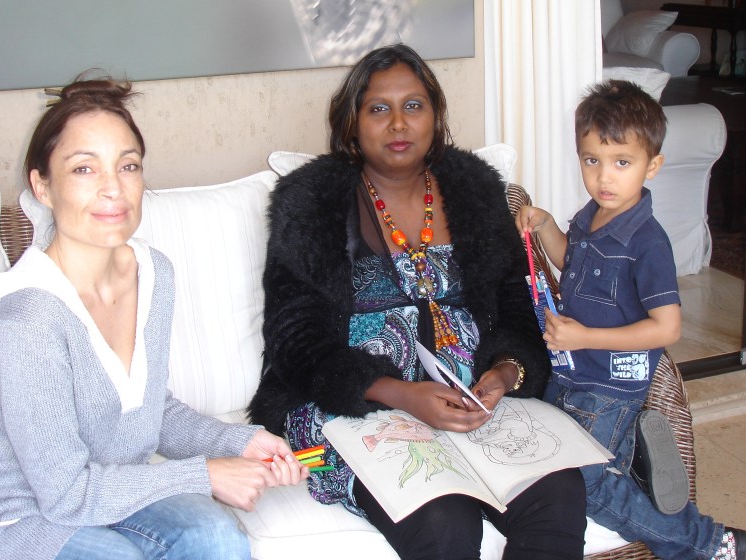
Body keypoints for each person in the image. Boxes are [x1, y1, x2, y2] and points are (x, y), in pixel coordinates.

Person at [249, 44, 587, 560]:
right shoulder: (311, 202)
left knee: (559, 495)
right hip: (352, 410)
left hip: (474, 404)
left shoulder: (476, 192)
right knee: (443, 518)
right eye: (378, 109)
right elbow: (294, 340)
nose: (398, 123)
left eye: (413, 105)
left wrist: (504, 374)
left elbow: (517, 306)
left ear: (436, 115)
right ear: (352, 125)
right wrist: (399, 394)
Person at [0, 75, 306, 560]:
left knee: (218, 537)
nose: (113, 189)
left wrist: (242, 442)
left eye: (128, 165)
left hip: (113, 489)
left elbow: (150, 413)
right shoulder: (28, 319)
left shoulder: (153, 273)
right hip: (22, 520)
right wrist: (205, 474)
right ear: (42, 186)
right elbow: (65, 495)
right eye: (84, 169)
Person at [516, 80, 746, 560]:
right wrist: (546, 225)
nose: (604, 177)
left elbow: (667, 328)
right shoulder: (593, 215)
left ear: (652, 166)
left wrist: (585, 336)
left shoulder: (648, 242)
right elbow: (569, 261)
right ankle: (632, 464)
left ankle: (707, 541)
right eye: (592, 160)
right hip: (572, 371)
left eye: (622, 163)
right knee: (548, 451)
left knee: (584, 482)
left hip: (610, 385)